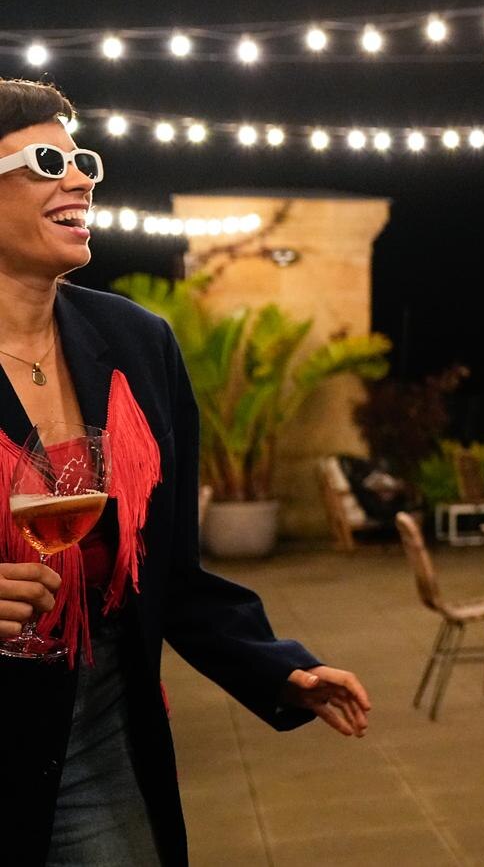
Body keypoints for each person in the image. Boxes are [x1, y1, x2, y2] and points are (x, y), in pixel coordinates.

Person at [0, 79, 370, 867]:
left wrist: (277, 667)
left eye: (83, 161)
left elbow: (172, 573)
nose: (81, 178)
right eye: (47, 163)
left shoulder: (138, 345)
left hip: (102, 721)